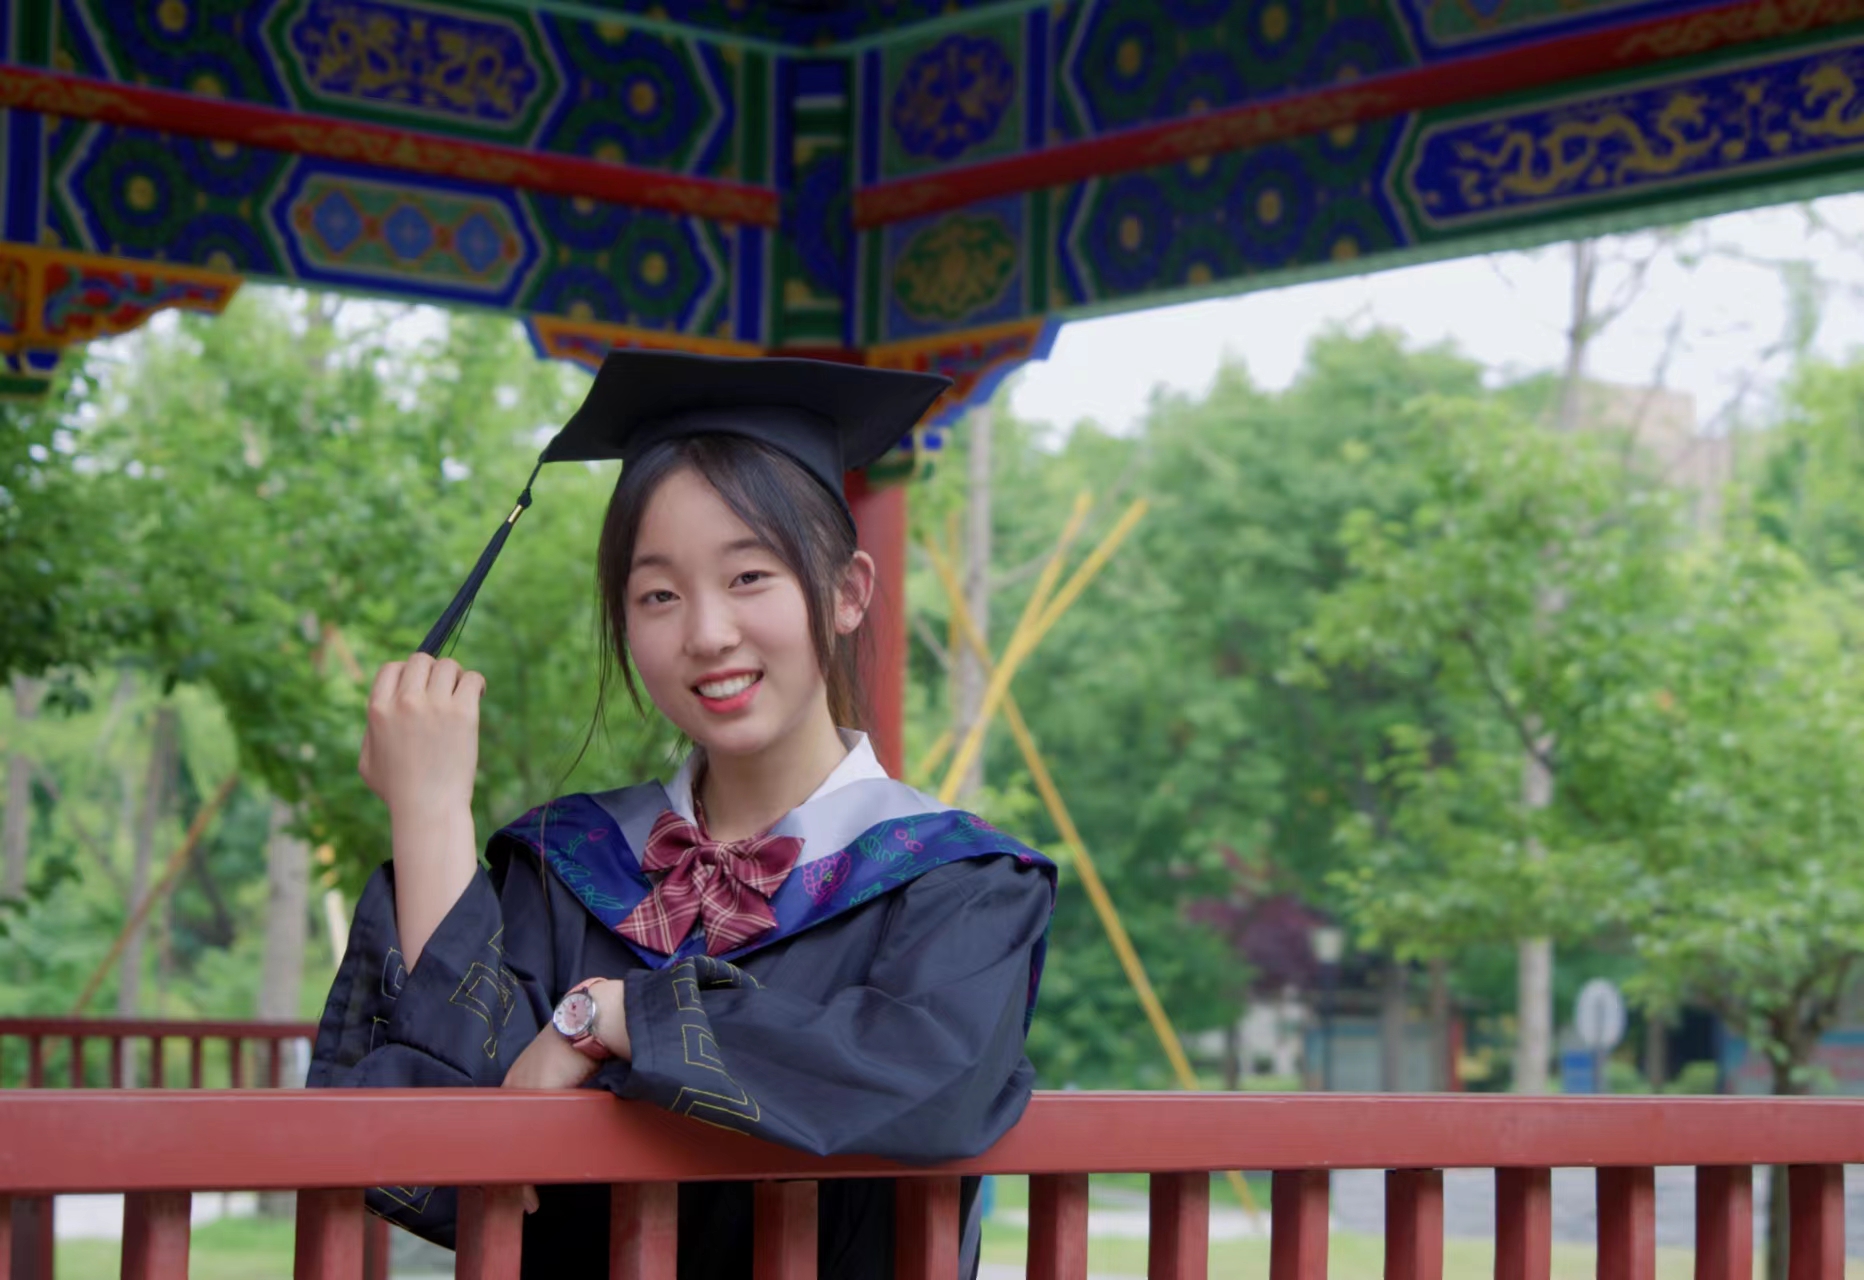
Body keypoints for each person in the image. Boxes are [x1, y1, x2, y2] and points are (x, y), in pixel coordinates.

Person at [306, 349, 1058, 1278]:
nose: (707, 633)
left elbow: (927, 1079)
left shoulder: (959, 886)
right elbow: (447, 1153)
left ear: (847, 592)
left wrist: (613, 1016)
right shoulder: (567, 867)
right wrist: (428, 812)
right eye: (658, 594)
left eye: (750, 577)